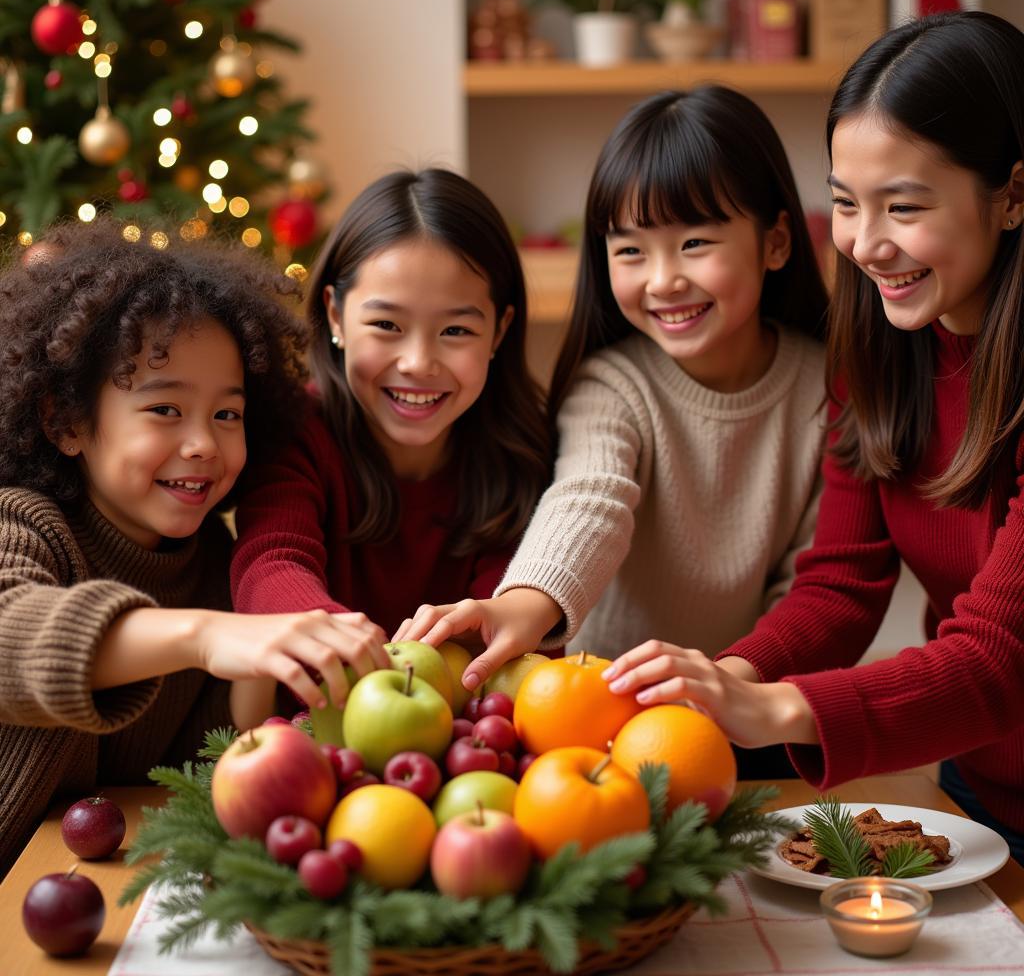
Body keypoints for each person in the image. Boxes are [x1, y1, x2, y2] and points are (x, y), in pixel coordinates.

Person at [602, 12, 1024, 863]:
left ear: (1013, 194)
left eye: (904, 206)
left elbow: (999, 658)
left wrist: (779, 710)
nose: (867, 245)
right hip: (982, 784)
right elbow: (841, 582)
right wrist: (730, 681)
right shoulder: (881, 348)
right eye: (843, 202)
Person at [396, 87, 830, 774]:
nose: (663, 280)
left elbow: (813, 582)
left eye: (694, 243)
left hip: (740, 732)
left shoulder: (826, 392)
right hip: (590, 728)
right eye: (630, 251)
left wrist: (729, 685)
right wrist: (524, 603)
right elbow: (591, 498)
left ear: (775, 242)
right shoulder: (613, 383)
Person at [0, 217, 394, 875]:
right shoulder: (23, 525)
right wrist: (207, 636)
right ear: (65, 420)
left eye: (227, 414)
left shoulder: (211, 560)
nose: (204, 444)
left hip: (100, 891)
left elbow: (209, 763)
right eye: (164, 410)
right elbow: (12, 633)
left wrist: (257, 672)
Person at [229, 168, 551, 711]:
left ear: (499, 330)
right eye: (387, 326)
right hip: (316, 744)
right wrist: (357, 651)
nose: (418, 363)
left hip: (464, 744)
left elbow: (507, 619)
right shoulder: (298, 428)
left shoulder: (520, 451)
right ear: (335, 314)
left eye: (456, 331)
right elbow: (269, 563)